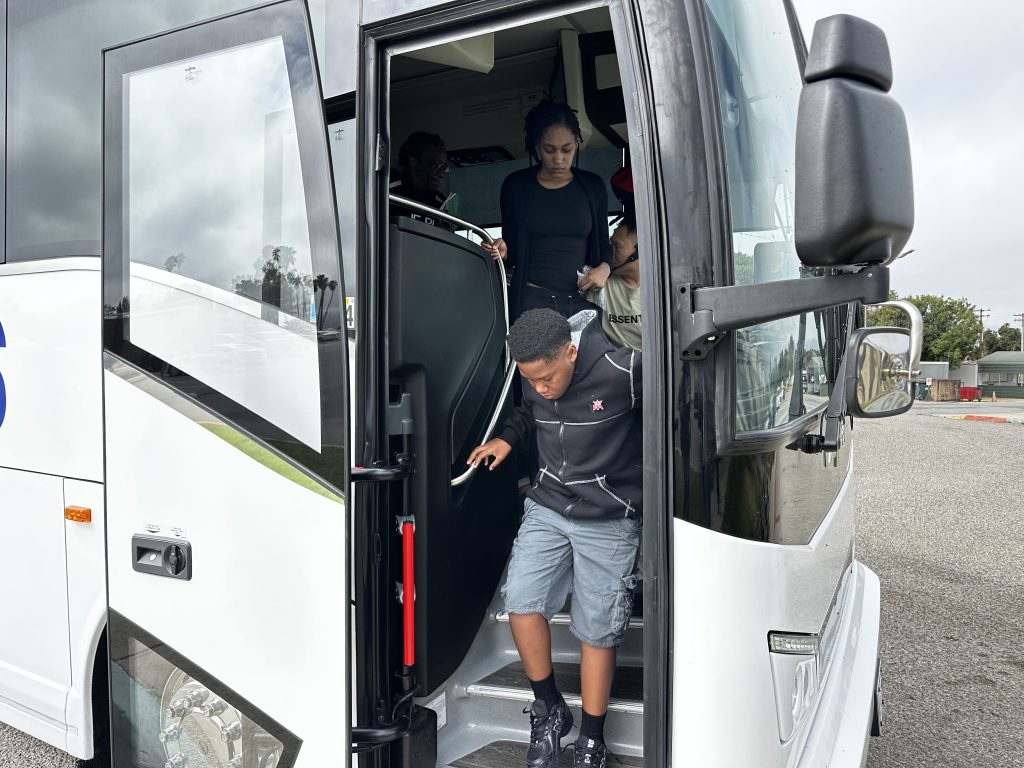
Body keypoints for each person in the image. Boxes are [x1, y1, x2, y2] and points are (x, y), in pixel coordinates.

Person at [467, 309, 642, 768]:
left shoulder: (625, 370)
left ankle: (592, 738)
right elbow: (529, 411)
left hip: (608, 516)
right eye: (532, 379)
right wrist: (507, 439)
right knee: (521, 601)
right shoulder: (534, 375)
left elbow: (682, 407)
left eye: (548, 377)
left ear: (571, 351)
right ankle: (547, 710)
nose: (542, 387)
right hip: (549, 505)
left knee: (596, 629)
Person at [482, 101, 613, 319]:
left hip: (581, 300)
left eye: (567, 149)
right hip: (533, 299)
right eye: (549, 150)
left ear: (578, 143)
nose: (559, 159)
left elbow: (604, 244)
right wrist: (503, 252)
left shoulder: (592, 186)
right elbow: (513, 251)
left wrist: (605, 269)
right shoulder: (516, 186)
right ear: (536, 147)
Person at [390, 131, 454, 230]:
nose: (442, 173)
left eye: (444, 167)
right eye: (436, 165)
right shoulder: (389, 195)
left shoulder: (442, 203)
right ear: (414, 162)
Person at [598, 218, 641, 351]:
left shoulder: (663, 286)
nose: (610, 252)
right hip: (616, 365)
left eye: (617, 246)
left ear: (639, 251)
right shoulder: (600, 283)